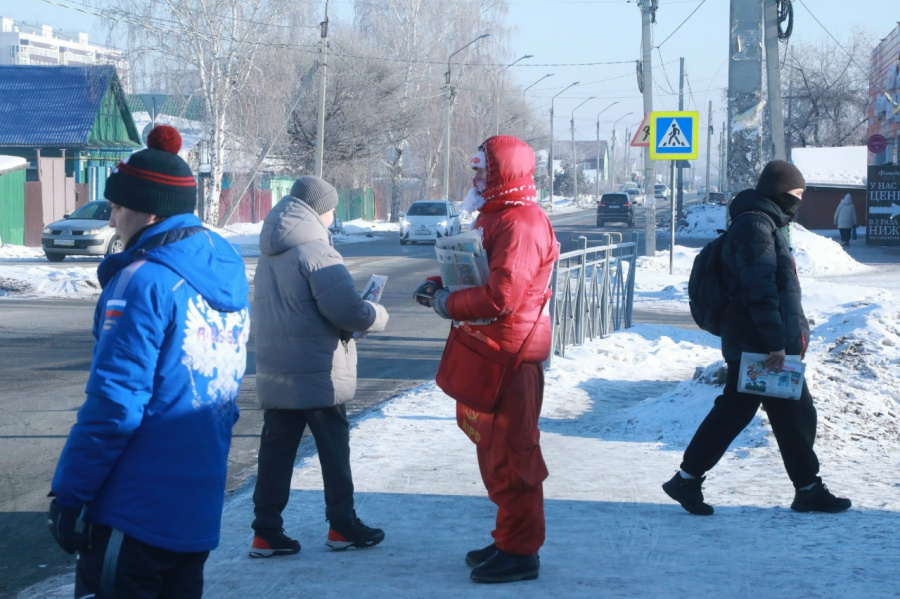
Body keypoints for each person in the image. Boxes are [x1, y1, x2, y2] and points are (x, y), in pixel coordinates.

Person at [47, 124, 251, 599]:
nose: (112, 218)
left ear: (150, 211)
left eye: (118, 207)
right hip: (196, 503)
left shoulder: (143, 282)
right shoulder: (225, 270)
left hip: (134, 508)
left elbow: (115, 404)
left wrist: (71, 494)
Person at [662, 160, 851, 516]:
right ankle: (689, 479)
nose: (799, 201)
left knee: (788, 414)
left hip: (759, 343)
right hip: (761, 347)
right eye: (796, 194)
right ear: (780, 192)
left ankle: (806, 488)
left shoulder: (760, 223)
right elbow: (759, 290)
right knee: (752, 413)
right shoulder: (755, 227)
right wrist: (775, 343)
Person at [414, 135, 559, 583]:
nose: (474, 175)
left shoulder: (522, 222)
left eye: (482, 169)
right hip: (490, 350)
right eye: (475, 167)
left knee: (514, 456)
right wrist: (442, 281)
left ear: (503, 174)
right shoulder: (495, 216)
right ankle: (508, 537)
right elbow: (483, 271)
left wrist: (446, 303)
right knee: (494, 453)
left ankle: (521, 551)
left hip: (511, 356)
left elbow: (502, 296)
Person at [249, 176, 389, 558]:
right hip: (317, 370)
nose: (333, 217)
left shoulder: (270, 249)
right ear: (319, 209)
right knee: (333, 449)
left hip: (277, 368)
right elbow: (347, 311)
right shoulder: (316, 250)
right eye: (331, 209)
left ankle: (265, 532)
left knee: (276, 451)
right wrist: (376, 313)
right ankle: (342, 525)